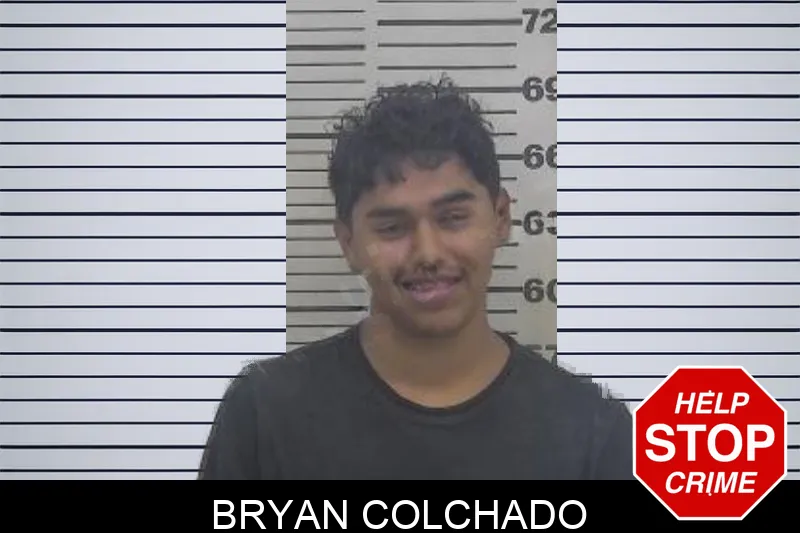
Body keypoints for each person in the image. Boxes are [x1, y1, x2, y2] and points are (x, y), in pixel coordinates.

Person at [198, 77, 633, 480]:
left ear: (501, 217)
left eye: (453, 218)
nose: (428, 253)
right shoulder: (263, 415)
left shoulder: (594, 433)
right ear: (348, 242)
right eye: (392, 227)